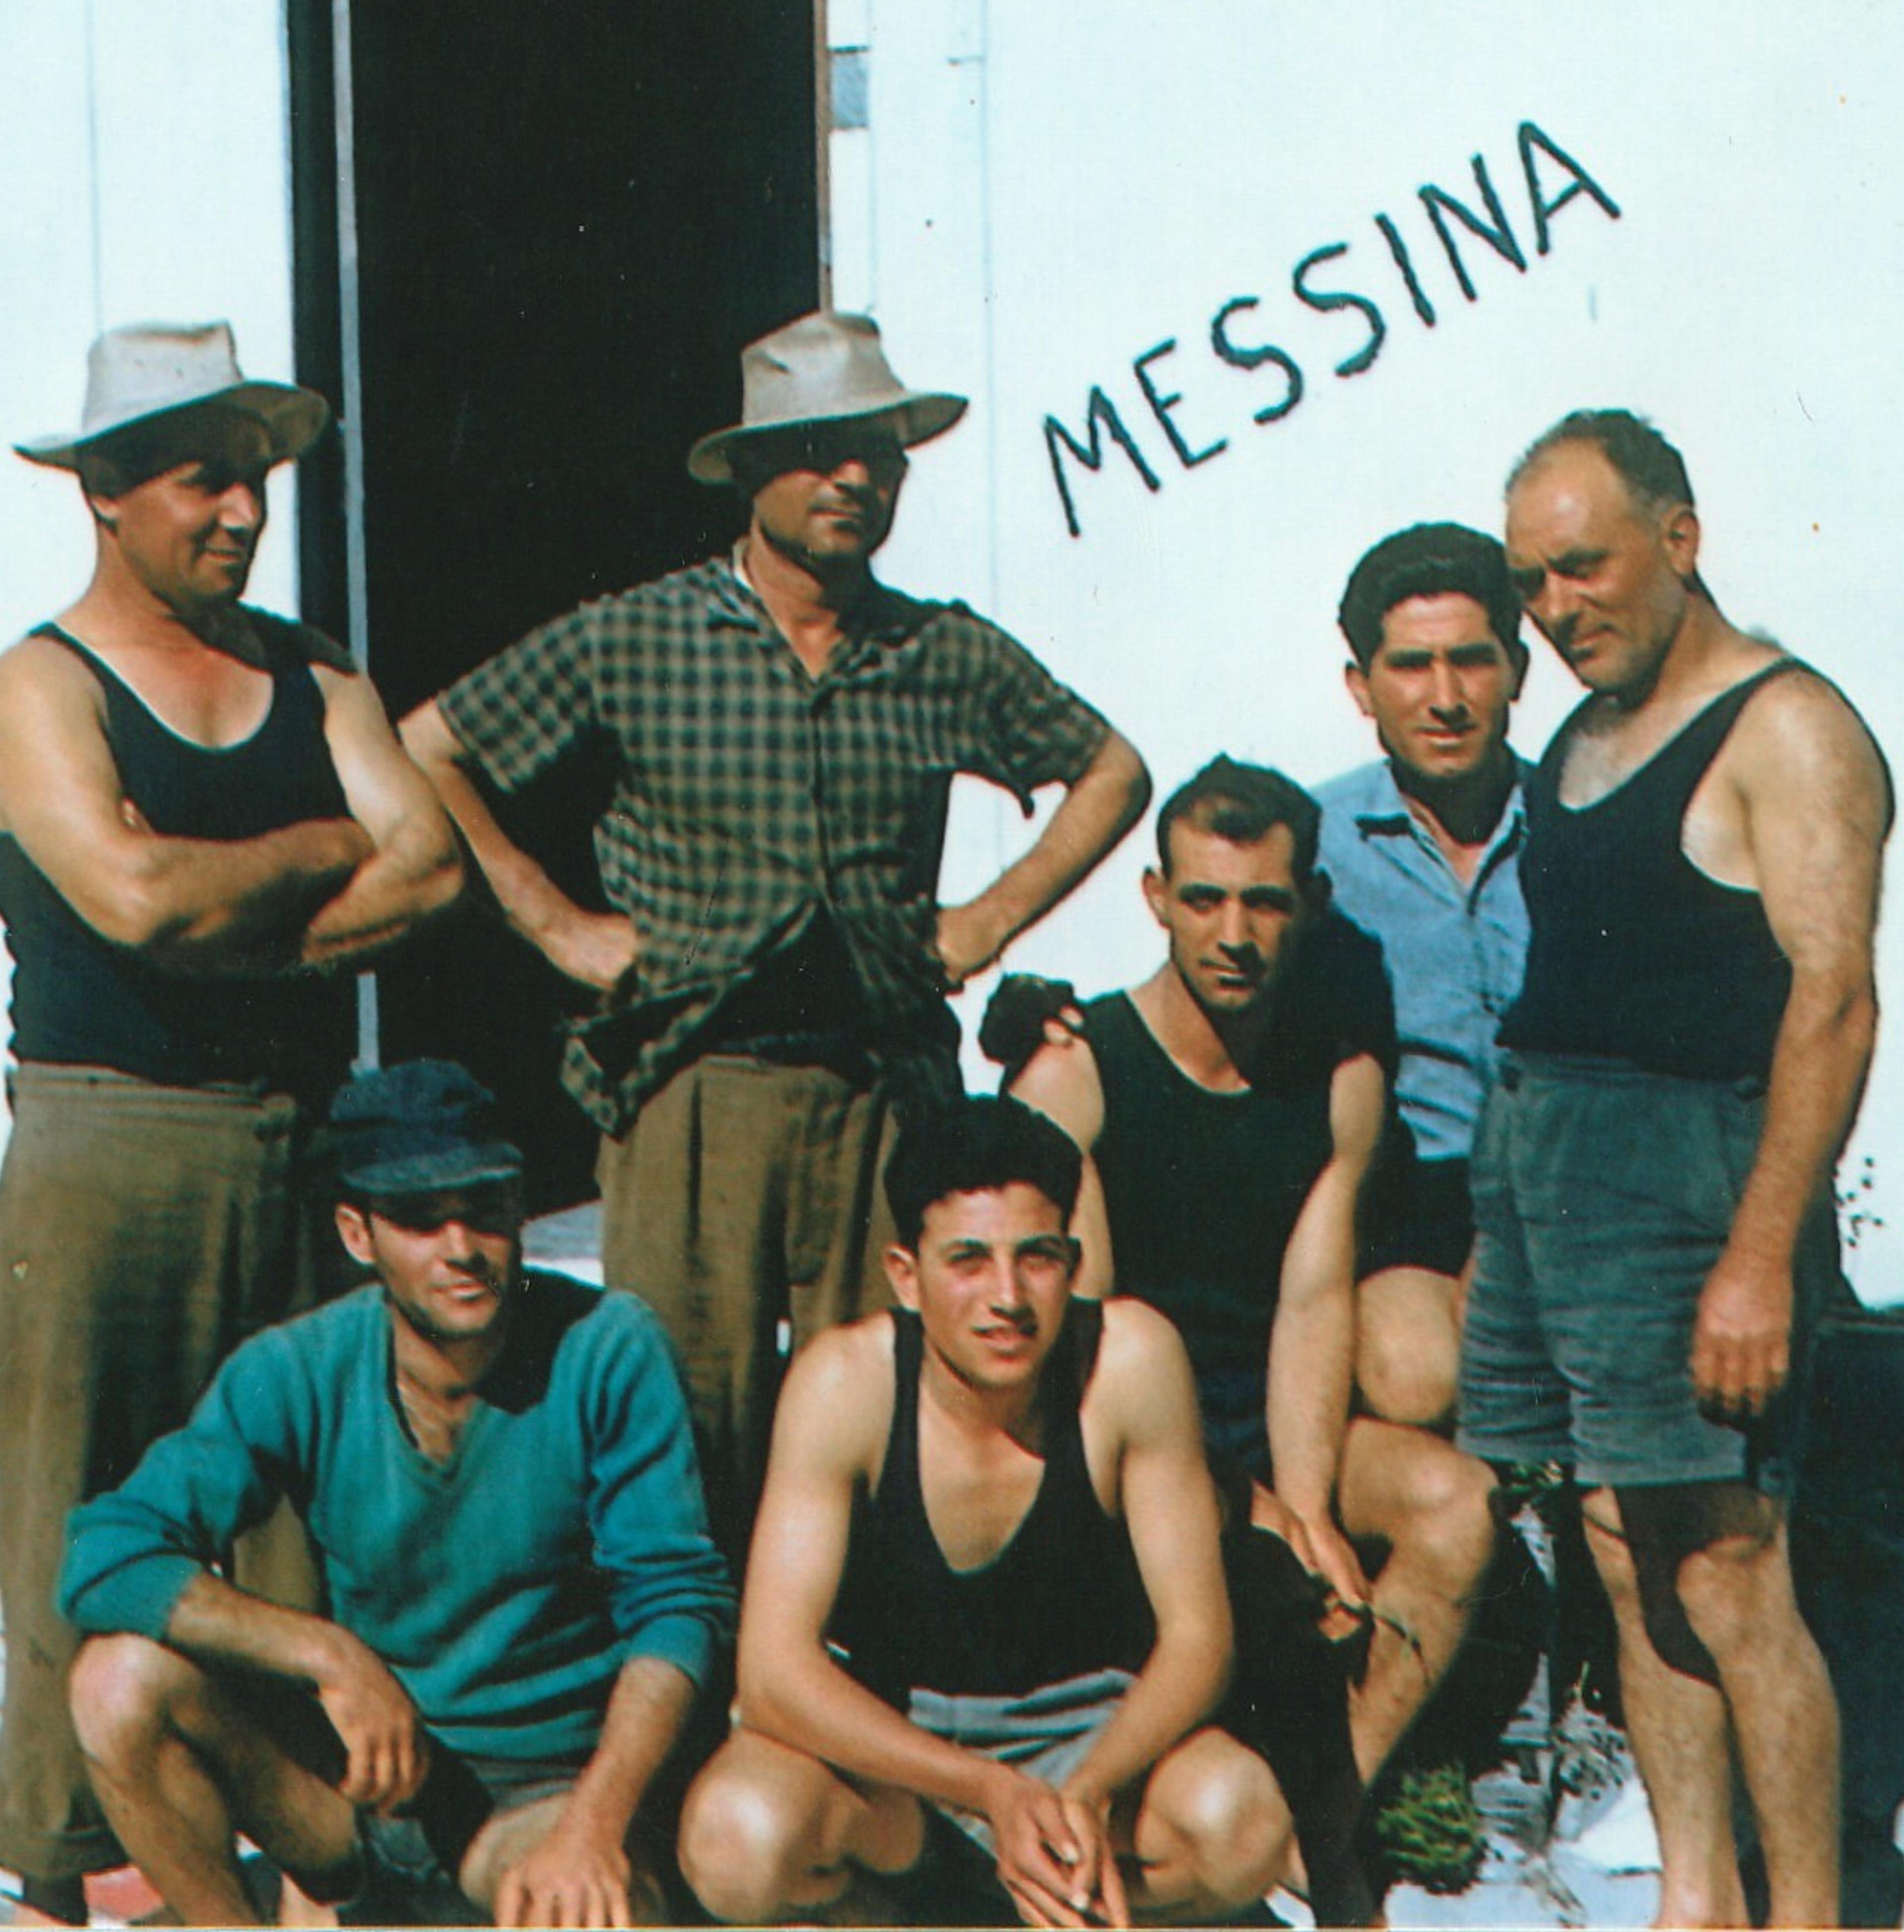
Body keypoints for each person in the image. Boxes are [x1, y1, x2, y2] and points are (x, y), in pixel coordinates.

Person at [401, 309, 1148, 1558]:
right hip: (696, 1078)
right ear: (749, 471)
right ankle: (694, 1714)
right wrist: (554, 921)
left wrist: (987, 918)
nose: (854, 478)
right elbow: (432, 745)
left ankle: (866, 1699)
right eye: (818, 451)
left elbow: (1112, 768)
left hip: (881, 1085)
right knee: (684, 1419)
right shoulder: (636, 635)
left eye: (879, 453)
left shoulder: (936, 648)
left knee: (894, 1400)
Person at [0, 322, 464, 1922]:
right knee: (76, 1482)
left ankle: (299, 1833)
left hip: (287, 1125)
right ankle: (63, 1861)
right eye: (206, 479)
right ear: (108, 494)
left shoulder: (310, 665)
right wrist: (316, 840)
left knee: (296, 1494)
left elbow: (430, 864)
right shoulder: (40, 684)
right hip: (105, 1132)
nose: (244, 511)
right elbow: (122, 898)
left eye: (255, 478)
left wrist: (236, 912)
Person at [1470, 407, 1892, 1928]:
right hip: (1554, 1171)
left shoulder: (1788, 726)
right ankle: (1695, 1901)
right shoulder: (1585, 732)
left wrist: (1760, 1255)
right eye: (1532, 584)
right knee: (1622, 1546)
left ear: (1681, 539)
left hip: (1691, 1185)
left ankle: (1808, 1916)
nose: (1556, 611)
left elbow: (1834, 1001)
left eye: (1582, 569)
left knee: (1727, 1571)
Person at [59, 1060, 733, 1930]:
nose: (460, 1248)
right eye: (419, 1219)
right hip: (365, 1780)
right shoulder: (301, 1366)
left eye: (486, 1209)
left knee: (597, 1913)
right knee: (114, 1683)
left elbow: (679, 1606)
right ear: (358, 1233)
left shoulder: (608, 1347)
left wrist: (594, 1827)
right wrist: (330, 1655)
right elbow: (103, 1553)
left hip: (540, 1798)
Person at [1005, 760, 1497, 1830]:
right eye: (1205, 899)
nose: (1236, 932)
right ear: (1156, 899)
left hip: (1270, 1418)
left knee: (1456, 1505)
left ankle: (1317, 1813)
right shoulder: (1080, 1073)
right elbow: (1091, 1348)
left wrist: (1309, 1501)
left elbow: (1315, 1300)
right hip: (1128, 1441)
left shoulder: (1341, 1079)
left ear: (1311, 905)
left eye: (1266, 901)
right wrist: (1249, 1504)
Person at [677, 1096, 1290, 1928]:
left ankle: (1055, 1900)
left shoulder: (1129, 1362)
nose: (1007, 1297)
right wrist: (990, 1792)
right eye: (968, 1260)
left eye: (1035, 1258)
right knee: (734, 1839)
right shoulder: (845, 1385)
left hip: (1090, 1749)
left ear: (1072, 1263)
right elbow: (776, 1674)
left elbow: (1198, 1640)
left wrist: (1080, 1793)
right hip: (898, 1769)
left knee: (1242, 1822)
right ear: (906, 1275)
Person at [1317, 524, 1530, 1431]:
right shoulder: (1317, 840)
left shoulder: (1583, 820)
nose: (1445, 699)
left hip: (1562, 1186)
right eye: (1410, 667)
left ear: (1517, 668)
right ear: (1361, 687)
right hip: (1410, 1200)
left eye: (1471, 662)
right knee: (1417, 1373)